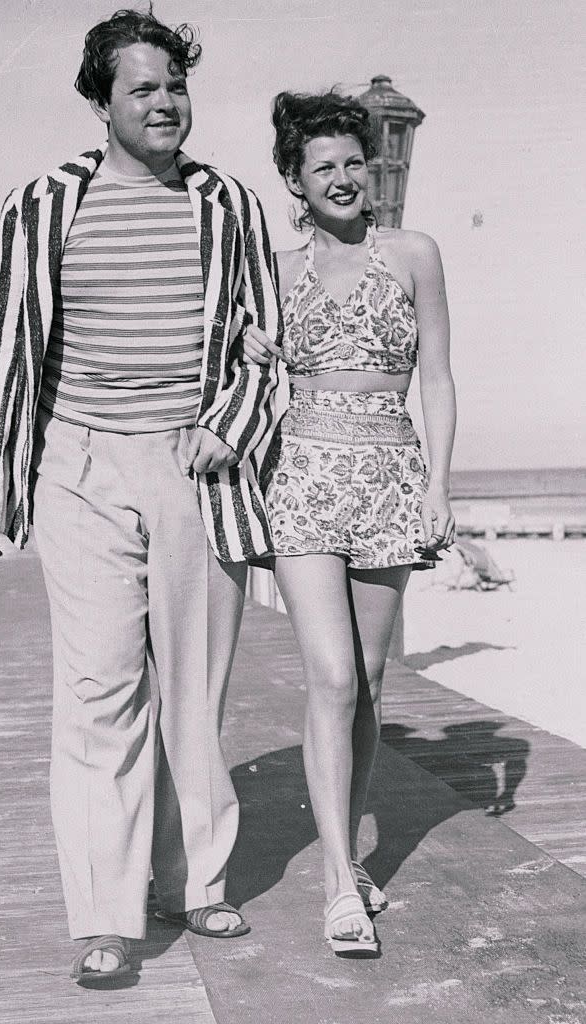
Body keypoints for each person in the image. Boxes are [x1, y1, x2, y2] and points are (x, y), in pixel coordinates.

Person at [0, 9, 288, 987]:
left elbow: (265, 347)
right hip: (82, 465)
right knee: (102, 689)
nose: (165, 104)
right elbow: (5, 348)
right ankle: (106, 913)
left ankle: (191, 880)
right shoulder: (43, 205)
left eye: (175, 87)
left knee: (193, 690)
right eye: (143, 88)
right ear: (99, 100)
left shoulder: (227, 203)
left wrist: (226, 424)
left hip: (196, 467)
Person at [243, 90, 456, 956]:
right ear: (295, 180)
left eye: (352, 164)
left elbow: (435, 377)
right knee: (330, 677)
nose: (341, 178)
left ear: (371, 173)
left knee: (367, 679)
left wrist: (438, 486)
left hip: (391, 472)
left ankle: (348, 861)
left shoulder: (413, 254)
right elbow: (229, 360)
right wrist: (249, 347)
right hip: (300, 472)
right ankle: (338, 882)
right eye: (321, 166)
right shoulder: (274, 266)